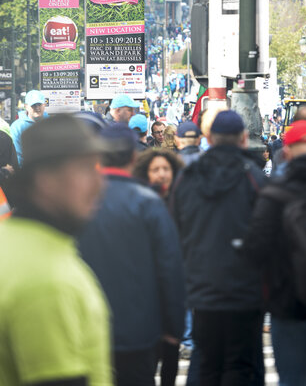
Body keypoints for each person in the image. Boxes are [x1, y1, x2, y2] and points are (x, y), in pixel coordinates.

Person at [0, 114, 113, 386]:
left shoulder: (16, 243)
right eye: (85, 169)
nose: (99, 184)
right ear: (45, 179)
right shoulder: (46, 278)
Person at [78, 124, 185, 386]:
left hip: (85, 330)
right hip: (139, 332)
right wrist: (173, 328)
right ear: (134, 158)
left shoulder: (78, 201)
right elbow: (170, 269)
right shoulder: (148, 202)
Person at [172, 110, 267, 386]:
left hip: (202, 287)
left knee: (205, 361)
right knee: (242, 363)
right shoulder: (254, 178)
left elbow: (175, 229)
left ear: (209, 139)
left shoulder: (187, 177)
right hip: (246, 289)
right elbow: (268, 234)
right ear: (243, 139)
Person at [244, 120, 306, 386]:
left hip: (289, 301)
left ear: (286, 151)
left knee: (292, 378)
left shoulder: (275, 192)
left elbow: (256, 248)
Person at [10, 90, 47, 165]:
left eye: (39, 104)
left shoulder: (51, 123)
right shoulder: (17, 127)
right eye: (33, 105)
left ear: (44, 105)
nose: (37, 108)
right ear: (26, 106)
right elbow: (17, 155)